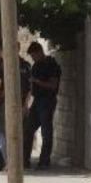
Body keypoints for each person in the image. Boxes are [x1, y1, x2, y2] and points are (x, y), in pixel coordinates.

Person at [0, 40, 31, 172]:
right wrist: (25, 105)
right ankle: (13, 163)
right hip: (20, 104)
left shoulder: (2, 66)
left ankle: (9, 165)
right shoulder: (26, 65)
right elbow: (30, 89)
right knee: (17, 135)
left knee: (3, 135)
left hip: (5, 104)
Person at [23, 42, 62, 170]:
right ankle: (24, 160)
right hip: (37, 101)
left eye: (34, 55)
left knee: (46, 131)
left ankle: (44, 161)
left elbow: (53, 85)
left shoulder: (52, 65)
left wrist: (37, 81)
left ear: (40, 52)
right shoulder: (36, 66)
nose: (33, 58)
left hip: (47, 100)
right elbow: (31, 88)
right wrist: (27, 104)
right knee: (28, 129)